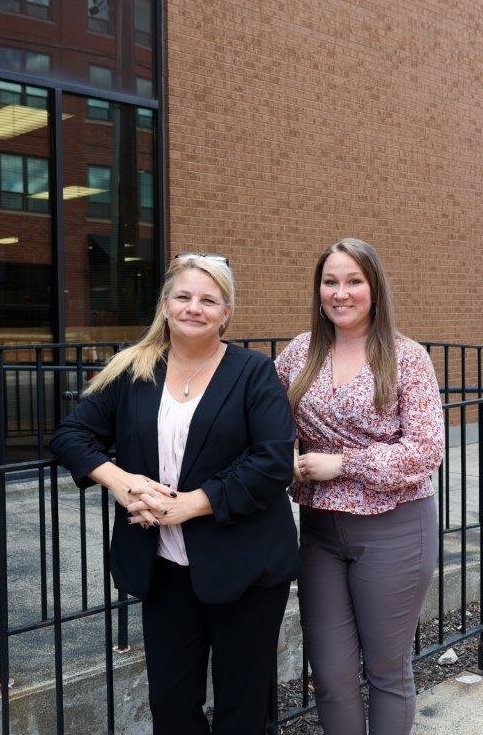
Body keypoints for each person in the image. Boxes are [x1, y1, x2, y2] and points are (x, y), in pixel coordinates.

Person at [50, 254, 299, 735]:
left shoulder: (253, 372)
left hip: (244, 567)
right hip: (164, 570)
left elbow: (271, 461)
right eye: (183, 296)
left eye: (209, 300)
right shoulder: (134, 370)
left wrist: (190, 503)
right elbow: (70, 435)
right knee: (172, 707)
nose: (194, 308)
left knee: (244, 710)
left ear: (226, 313)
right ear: (165, 305)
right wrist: (124, 484)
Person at [275, 238, 444, 735]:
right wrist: (284, 450)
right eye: (330, 282)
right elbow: (264, 416)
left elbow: (424, 451)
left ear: (374, 288)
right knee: (329, 674)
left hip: (394, 528)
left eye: (353, 281)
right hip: (321, 532)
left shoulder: (406, 357)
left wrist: (343, 464)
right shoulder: (299, 352)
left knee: (387, 672)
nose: (340, 293)